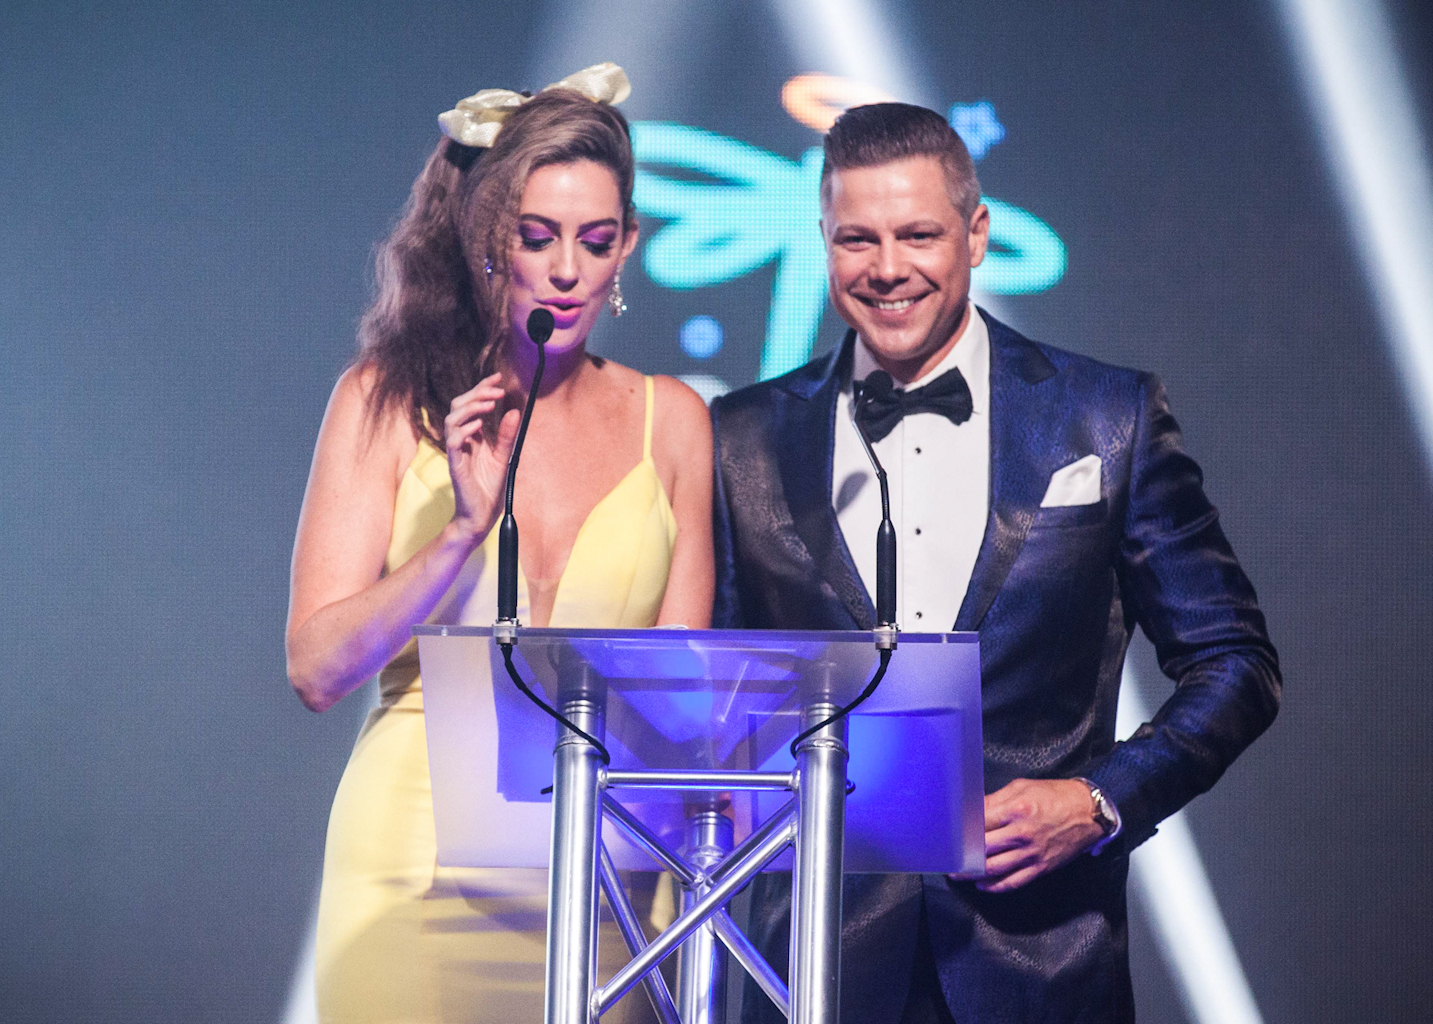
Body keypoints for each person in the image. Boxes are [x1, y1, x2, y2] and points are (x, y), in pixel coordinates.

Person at [711, 102, 1281, 1023]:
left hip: (1042, 959)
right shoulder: (740, 438)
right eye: (857, 238)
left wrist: (1099, 800)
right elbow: (714, 695)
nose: (887, 268)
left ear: (975, 234)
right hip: (809, 960)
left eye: (917, 234)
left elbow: (1236, 663)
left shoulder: (1108, 416)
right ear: (821, 239)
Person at [285, 64, 713, 1023]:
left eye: (595, 242)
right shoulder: (386, 401)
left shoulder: (674, 422)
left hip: (606, 876)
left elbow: (684, 699)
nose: (567, 269)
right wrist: (461, 536)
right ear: (486, 243)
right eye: (537, 237)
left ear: (626, 250)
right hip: (413, 867)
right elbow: (316, 668)